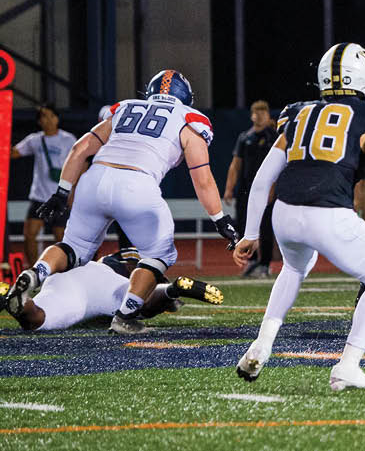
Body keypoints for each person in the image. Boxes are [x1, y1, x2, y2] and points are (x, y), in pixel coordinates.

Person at [231, 43, 365, 390]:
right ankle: (348, 364)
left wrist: (250, 234)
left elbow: (262, 180)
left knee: (294, 268)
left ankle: (262, 343)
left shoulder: (297, 113)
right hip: (327, 212)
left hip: (285, 213)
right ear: (362, 77)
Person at [4, 71, 239, 335]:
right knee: (159, 254)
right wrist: (220, 218)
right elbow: (202, 179)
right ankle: (125, 317)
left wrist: (62, 191)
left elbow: (80, 149)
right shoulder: (189, 119)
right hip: (137, 182)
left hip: (94, 179)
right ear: (185, 97)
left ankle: (36, 272)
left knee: (72, 246)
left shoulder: (125, 107)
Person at [7, 248, 223, 331]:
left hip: (68, 273)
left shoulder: (111, 258)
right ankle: (172, 289)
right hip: (105, 285)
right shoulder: (132, 263)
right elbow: (141, 274)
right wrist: (166, 297)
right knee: (138, 304)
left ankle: (17, 295)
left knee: (37, 314)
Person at [10, 105, 77, 266]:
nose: (48, 120)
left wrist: (73, 192)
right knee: (29, 234)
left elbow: (79, 163)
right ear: (39, 121)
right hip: (39, 196)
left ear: (57, 118)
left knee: (61, 238)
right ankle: (33, 270)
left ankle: (63, 272)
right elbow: (13, 153)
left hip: (60, 195)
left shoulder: (68, 139)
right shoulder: (35, 140)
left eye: (52, 116)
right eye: (44, 116)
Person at [223, 100, 277, 278]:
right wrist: (229, 188)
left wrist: (272, 189)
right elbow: (235, 165)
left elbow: (279, 166)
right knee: (244, 225)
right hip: (246, 189)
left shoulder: (274, 137)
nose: (259, 117)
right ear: (252, 115)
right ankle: (251, 261)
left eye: (263, 113)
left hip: (267, 189)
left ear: (268, 115)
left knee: (266, 227)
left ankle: (265, 264)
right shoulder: (245, 137)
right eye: (256, 113)